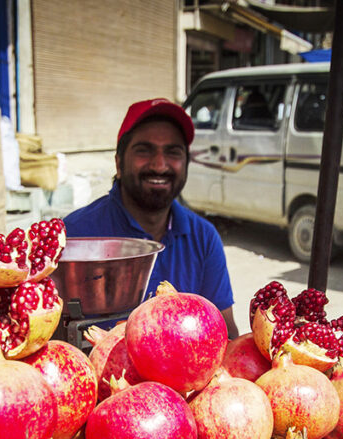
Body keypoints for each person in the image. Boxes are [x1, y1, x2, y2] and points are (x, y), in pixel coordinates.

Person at [63, 98, 239, 338]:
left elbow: (225, 335)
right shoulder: (75, 235)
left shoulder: (203, 237)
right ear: (118, 162)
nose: (159, 165)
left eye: (172, 152)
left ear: (186, 163)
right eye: (144, 151)